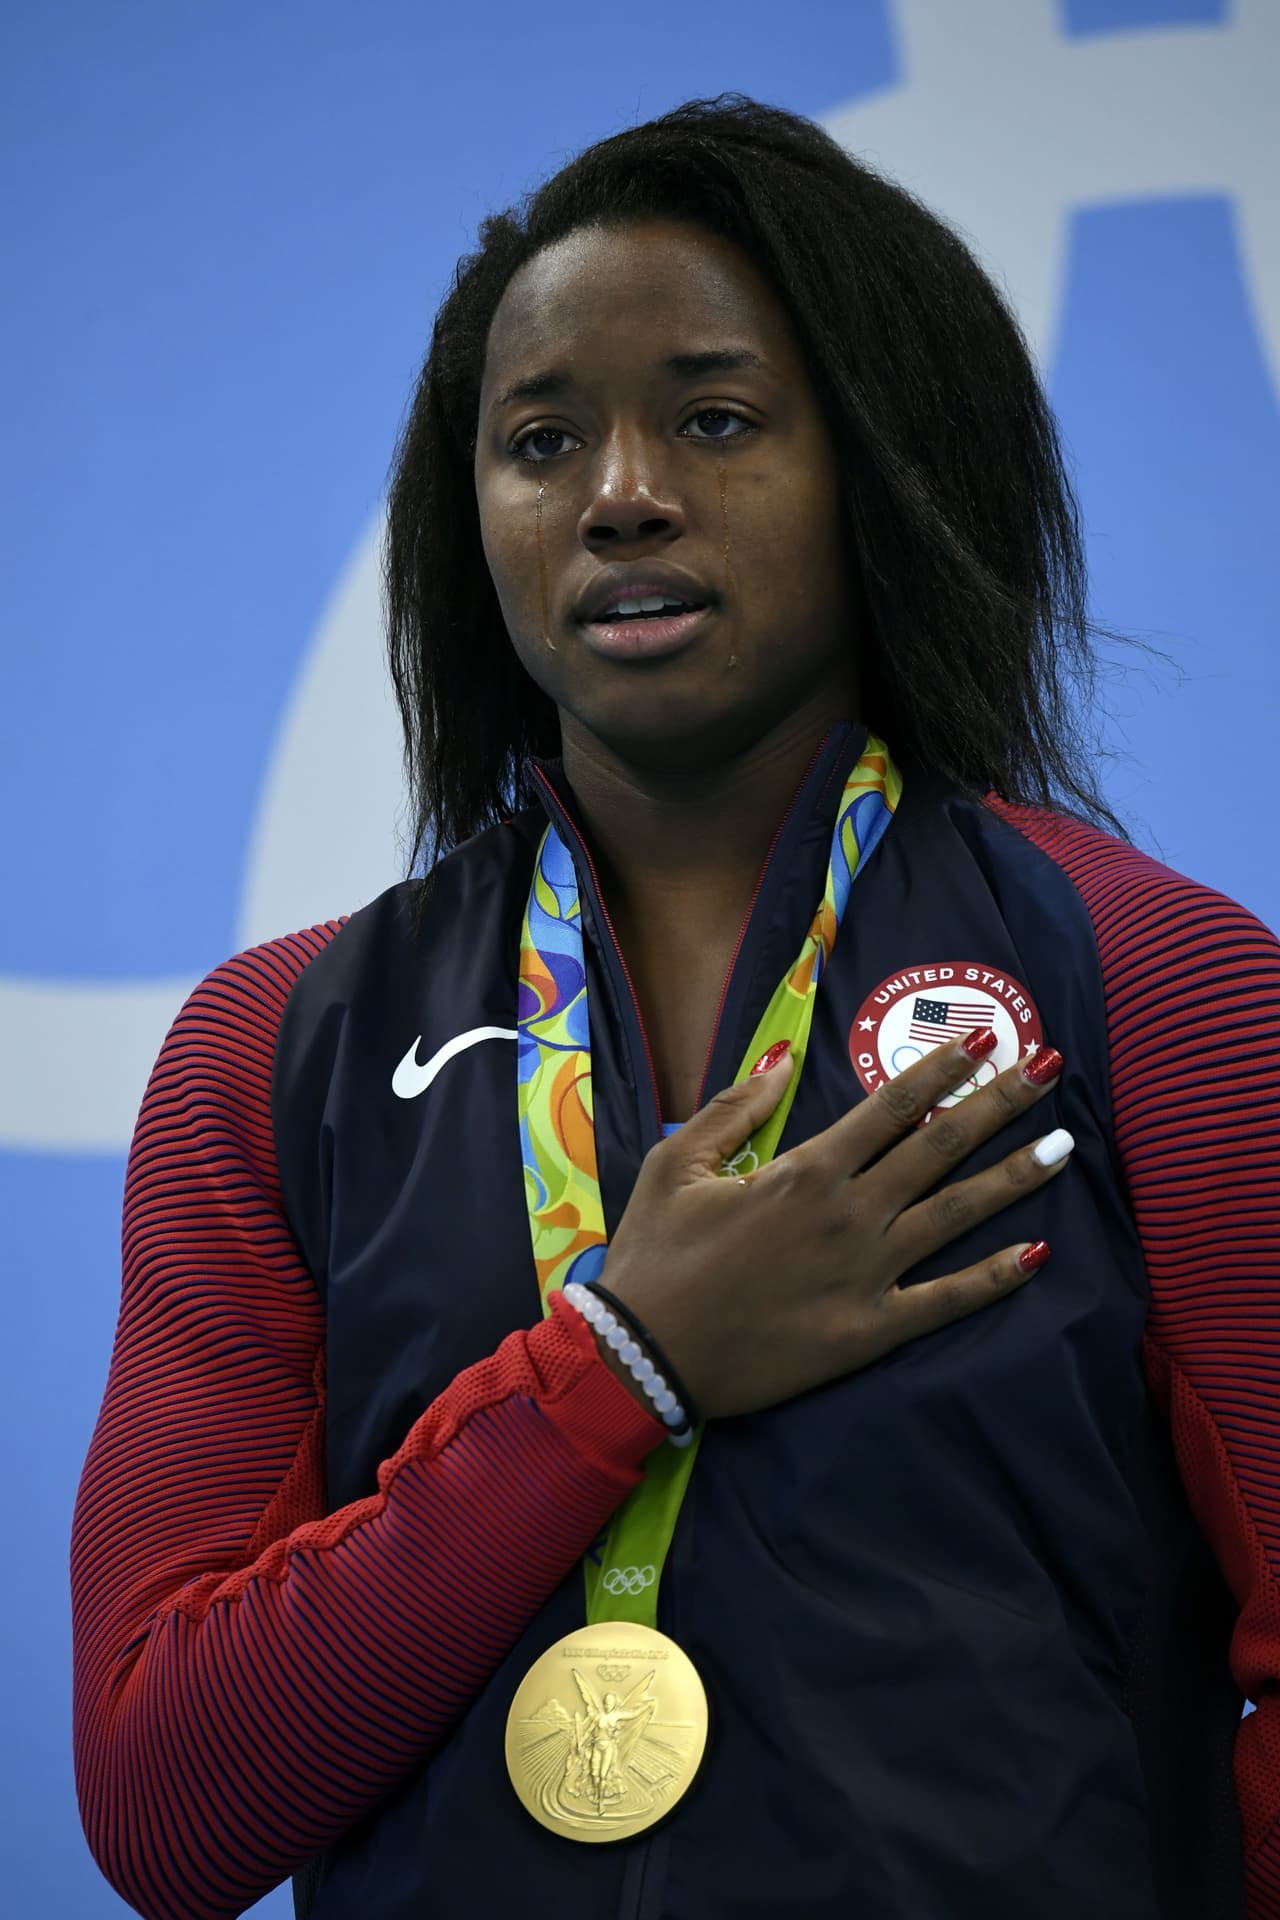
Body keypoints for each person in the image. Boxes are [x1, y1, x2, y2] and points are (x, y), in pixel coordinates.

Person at [71, 95, 1280, 1920]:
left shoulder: (1164, 985)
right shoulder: (272, 1046)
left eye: (715, 418)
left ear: (876, 464)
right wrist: (620, 1366)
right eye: (541, 439)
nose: (619, 490)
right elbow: (167, 1802)